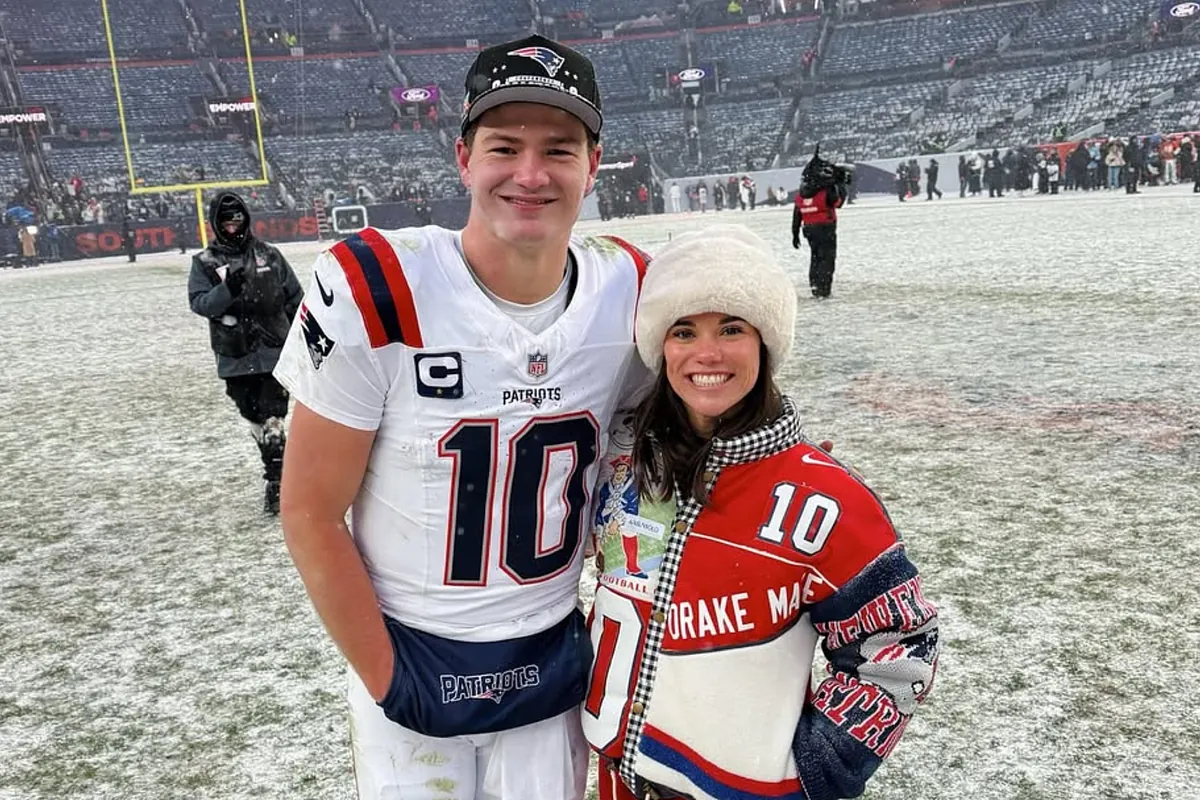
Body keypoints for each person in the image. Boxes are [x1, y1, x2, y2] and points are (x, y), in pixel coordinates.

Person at [272, 34, 651, 800]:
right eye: (505, 146)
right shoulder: (378, 286)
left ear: (595, 164)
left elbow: (666, 447)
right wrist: (387, 673)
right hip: (412, 648)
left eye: (560, 149)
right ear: (463, 157)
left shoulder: (630, 289)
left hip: (551, 653)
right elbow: (309, 511)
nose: (531, 174)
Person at [583, 225, 940, 800]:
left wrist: (818, 769)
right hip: (618, 776)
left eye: (732, 328)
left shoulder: (825, 497)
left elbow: (899, 645)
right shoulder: (622, 467)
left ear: (765, 342)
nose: (707, 353)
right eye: (683, 330)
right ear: (659, 346)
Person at [187, 192, 302, 513]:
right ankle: (277, 474)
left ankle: (278, 483)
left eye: (237, 219)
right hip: (235, 356)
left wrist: (300, 338)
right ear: (216, 224)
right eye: (227, 221)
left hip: (273, 353)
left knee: (273, 419)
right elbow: (199, 304)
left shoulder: (270, 255)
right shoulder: (205, 263)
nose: (233, 226)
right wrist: (228, 291)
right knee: (255, 420)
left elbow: (295, 298)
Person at [792, 146, 847, 299]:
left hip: (809, 229)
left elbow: (797, 215)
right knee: (827, 258)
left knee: (815, 257)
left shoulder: (801, 194)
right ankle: (824, 288)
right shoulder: (824, 191)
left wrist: (795, 234)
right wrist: (840, 185)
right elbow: (838, 203)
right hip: (826, 227)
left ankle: (815, 285)